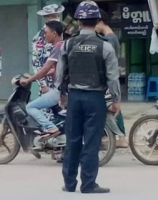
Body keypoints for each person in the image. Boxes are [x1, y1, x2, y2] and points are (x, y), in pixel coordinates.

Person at [58, 1, 120, 193]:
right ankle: (88, 184)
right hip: (95, 99)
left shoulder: (67, 44)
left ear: (78, 21)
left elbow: (60, 73)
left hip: (75, 97)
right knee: (91, 142)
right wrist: (116, 99)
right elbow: (113, 77)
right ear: (97, 21)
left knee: (72, 141)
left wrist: (62, 94)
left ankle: (69, 184)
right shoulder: (105, 47)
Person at [21, 21, 64, 136]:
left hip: (60, 90)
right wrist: (34, 77)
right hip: (66, 89)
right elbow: (53, 70)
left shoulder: (58, 47)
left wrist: (28, 80)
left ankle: (51, 127)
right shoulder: (64, 45)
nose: (44, 35)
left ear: (54, 33)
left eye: (46, 32)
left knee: (30, 107)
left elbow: (45, 69)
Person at [95, 9, 127, 148]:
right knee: (111, 107)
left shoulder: (109, 40)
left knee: (113, 107)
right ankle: (115, 135)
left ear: (101, 22)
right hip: (109, 78)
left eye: (95, 23)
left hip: (109, 78)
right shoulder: (110, 38)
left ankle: (121, 137)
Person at [32, 4, 64, 94]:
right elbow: (36, 61)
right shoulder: (40, 36)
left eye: (58, 15)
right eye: (53, 16)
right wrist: (42, 84)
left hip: (61, 81)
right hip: (48, 82)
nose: (56, 18)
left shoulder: (62, 33)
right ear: (46, 17)